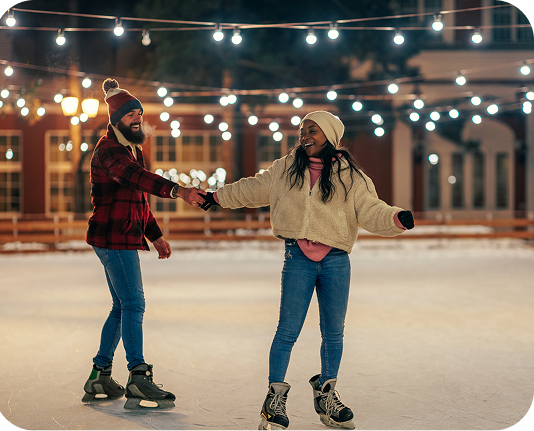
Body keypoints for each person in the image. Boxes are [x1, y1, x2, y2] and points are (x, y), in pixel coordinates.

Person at [201, 111, 414, 430]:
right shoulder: (285, 168)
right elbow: (252, 189)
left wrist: (396, 218)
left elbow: (370, 209)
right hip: (297, 256)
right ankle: (274, 399)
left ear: (329, 135)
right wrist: (215, 197)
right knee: (287, 331)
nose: (304, 135)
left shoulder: (351, 175)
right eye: (302, 130)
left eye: (311, 130)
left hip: (336, 260)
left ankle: (327, 393)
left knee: (333, 332)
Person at [82, 78, 206, 410]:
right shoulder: (109, 150)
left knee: (122, 307)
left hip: (121, 235)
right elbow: (138, 179)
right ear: (116, 119)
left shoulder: (133, 149)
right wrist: (179, 191)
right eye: (129, 115)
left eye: (139, 112)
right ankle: (138, 377)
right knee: (134, 304)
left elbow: (138, 199)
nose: (136, 118)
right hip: (113, 237)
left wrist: (155, 235)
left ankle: (99, 375)